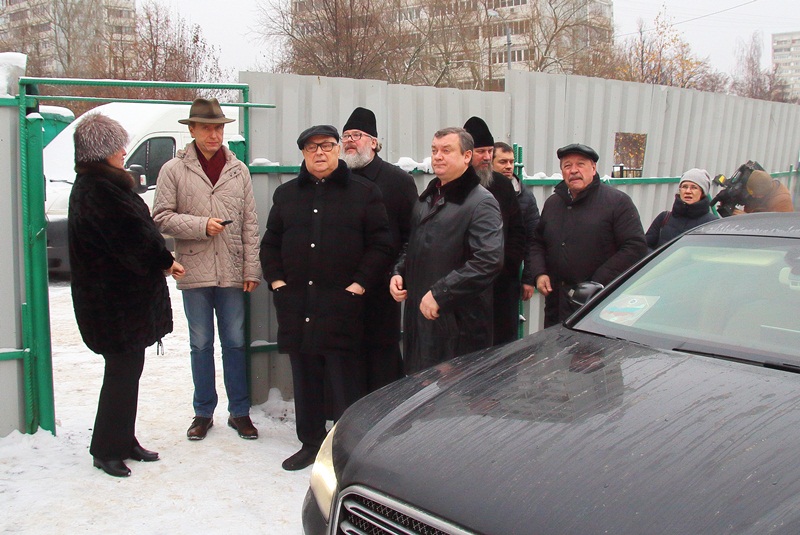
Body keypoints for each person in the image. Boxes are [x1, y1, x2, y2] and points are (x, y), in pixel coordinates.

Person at [260, 125, 392, 471]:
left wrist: (359, 285)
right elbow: (270, 244)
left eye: (327, 145)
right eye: (311, 147)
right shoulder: (286, 195)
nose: (319, 152)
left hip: (343, 305)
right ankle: (310, 443)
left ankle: (345, 449)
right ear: (303, 153)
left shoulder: (364, 192)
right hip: (297, 304)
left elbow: (381, 244)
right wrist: (277, 283)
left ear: (337, 149)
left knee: (345, 380)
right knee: (305, 377)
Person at [68, 113, 185, 477]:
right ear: (101, 151)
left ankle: (123, 439)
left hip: (120, 302)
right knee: (121, 375)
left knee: (128, 373)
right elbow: (132, 239)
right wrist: (165, 261)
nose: (123, 151)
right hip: (112, 304)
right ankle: (105, 449)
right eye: (117, 146)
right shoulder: (99, 190)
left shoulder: (103, 185)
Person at [152, 98, 262, 442]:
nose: (214, 135)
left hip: (232, 269)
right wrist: (201, 226)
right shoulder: (173, 170)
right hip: (194, 269)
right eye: (206, 128)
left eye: (218, 128)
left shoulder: (238, 170)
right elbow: (161, 217)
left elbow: (250, 223)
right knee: (200, 344)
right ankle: (203, 413)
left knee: (235, 343)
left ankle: (239, 412)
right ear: (192, 130)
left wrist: (251, 269)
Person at [390, 127, 503, 374]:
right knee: (419, 389)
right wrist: (400, 271)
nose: (438, 156)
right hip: (421, 325)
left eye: (446, 150)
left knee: (451, 396)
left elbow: (488, 260)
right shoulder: (427, 198)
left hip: (457, 329)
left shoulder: (481, 203)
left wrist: (441, 293)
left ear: (466, 156)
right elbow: (415, 245)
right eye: (434, 150)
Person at [341, 107, 418, 393]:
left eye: (357, 135)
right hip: (344, 290)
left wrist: (399, 272)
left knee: (382, 364)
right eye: (345, 136)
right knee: (346, 364)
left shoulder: (398, 181)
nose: (350, 141)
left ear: (374, 142)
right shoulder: (337, 180)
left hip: (382, 290)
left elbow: (412, 234)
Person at [530, 143, 647, 328]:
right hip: (556, 302)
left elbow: (635, 247)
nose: (573, 170)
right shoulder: (553, 203)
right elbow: (537, 242)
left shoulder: (617, 203)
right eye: (567, 165)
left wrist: (596, 283)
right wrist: (539, 272)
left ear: (593, 168)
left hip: (597, 303)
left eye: (580, 164)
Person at [463, 117, 526, 345]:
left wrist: (505, 265)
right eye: (481, 151)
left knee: (502, 348)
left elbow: (518, 231)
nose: (487, 157)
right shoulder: (454, 185)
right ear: (467, 154)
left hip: (501, 285)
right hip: (466, 286)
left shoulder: (502, 185)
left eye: (490, 151)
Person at [493, 141, 541, 302]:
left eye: (511, 162)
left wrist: (528, 278)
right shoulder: (479, 192)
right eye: (502, 162)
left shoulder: (525, 196)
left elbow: (533, 239)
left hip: (509, 277)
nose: (508, 166)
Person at [646, 168, 718, 249]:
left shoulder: (712, 224)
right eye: (684, 187)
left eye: (694, 187)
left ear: (702, 193)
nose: (688, 191)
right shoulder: (664, 218)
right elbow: (644, 247)